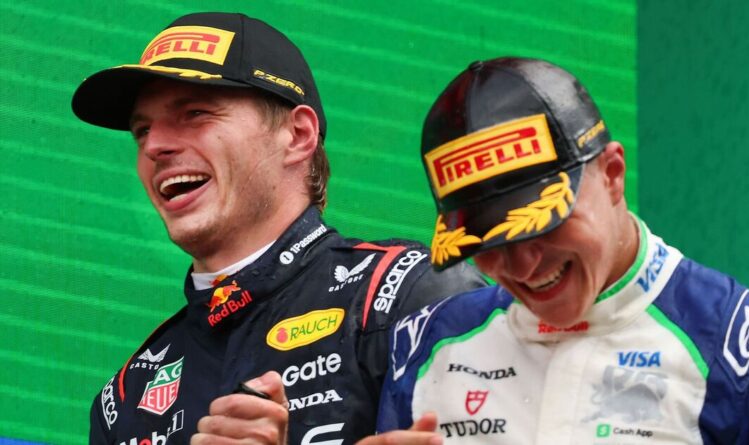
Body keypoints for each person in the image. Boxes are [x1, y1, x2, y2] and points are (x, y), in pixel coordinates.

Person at [71, 12, 485, 444]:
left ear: (298, 135)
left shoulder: (404, 293)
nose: (155, 146)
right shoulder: (126, 398)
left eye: (195, 113)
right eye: (142, 131)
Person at [374, 57, 749, 444]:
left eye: (541, 225)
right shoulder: (426, 344)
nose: (523, 266)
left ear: (612, 174)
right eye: (489, 242)